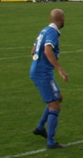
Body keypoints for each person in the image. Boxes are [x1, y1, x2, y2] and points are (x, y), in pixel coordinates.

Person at [29, 8, 69, 149]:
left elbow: (33, 50)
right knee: (55, 106)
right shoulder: (52, 33)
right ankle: (50, 142)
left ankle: (40, 128)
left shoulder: (44, 30)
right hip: (42, 73)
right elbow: (47, 50)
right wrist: (59, 69)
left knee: (58, 98)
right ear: (61, 19)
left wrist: (37, 61)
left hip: (39, 70)